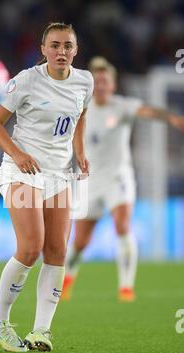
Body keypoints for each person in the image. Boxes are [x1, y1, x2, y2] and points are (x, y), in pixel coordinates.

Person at [0, 22, 93, 352]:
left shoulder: (84, 81)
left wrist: (79, 150)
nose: (62, 51)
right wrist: (17, 154)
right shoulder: (26, 80)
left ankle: (41, 332)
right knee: (31, 247)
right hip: (22, 172)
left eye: (68, 46)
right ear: (43, 50)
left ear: (76, 50)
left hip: (60, 174)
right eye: (55, 45)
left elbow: (80, 115)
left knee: (58, 251)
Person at [62, 57, 184, 302]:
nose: (101, 86)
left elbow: (148, 111)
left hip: (119, 177)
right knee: (81, 241)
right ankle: (67, 280)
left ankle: (126, 287)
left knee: (122, 226)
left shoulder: (122, 106)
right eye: (97, 82)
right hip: (89, 180)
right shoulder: (79, 109)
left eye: (105, 81)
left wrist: (171, 118)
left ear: (113, 85)